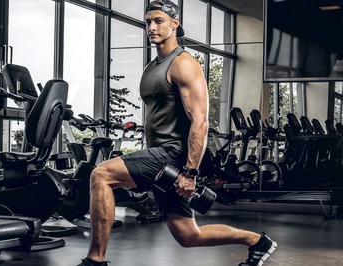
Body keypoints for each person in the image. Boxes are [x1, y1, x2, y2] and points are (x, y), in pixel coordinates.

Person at [77, 1, 278, 266]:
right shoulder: (152, 67)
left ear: (175, 23)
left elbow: (200, 121)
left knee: (101, 175)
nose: (151, 27)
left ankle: (95, 261)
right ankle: (257, 241)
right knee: (187, 235)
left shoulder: (183, 63)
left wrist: (191, 172)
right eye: (148, 22)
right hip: (161, 157)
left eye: (159, 21)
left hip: (172, 155)